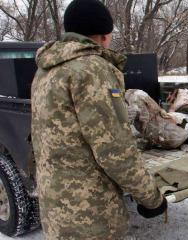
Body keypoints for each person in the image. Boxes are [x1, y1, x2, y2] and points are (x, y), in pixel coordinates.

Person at [31, 0, 166, 238]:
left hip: (56, 210)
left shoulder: (46, 69)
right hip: (91, 216)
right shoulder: (92, 70)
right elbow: (115, 150)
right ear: (104, 35)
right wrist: (152, 198)